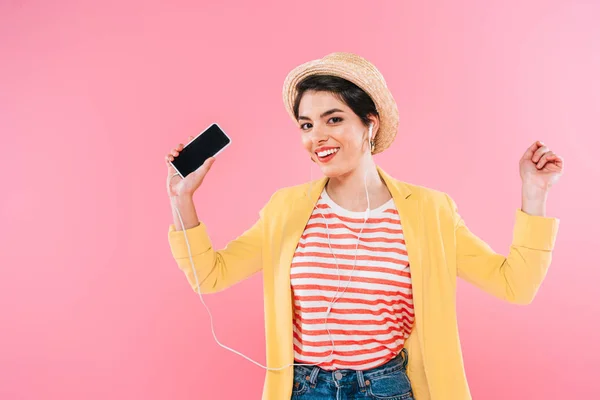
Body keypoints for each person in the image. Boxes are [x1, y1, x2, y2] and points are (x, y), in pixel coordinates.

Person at [164, 52, 563, 400]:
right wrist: (182, 199)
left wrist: (534, 192)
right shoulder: (284, 209)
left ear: (369, 124)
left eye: (333, 119)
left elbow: (515, 285)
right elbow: (210, 276)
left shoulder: (430, 211)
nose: (317, 137)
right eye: (306, 125)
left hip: (388, 387)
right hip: (305, 389)